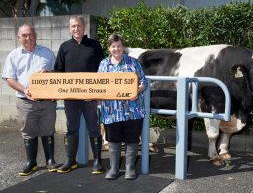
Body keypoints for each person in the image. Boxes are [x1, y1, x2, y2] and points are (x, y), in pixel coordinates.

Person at [2, 25, 58, 176]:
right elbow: (9, 78)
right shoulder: (13, 56)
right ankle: (31, 162)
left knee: (48, 130)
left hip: (47, 101)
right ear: (19, 38)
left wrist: (49, 72)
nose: (28, 38)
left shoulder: (47, 53)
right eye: (24, 35)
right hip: (25, 102)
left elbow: (58, 73)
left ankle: (50, 160)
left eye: (30, 35)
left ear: (36, 35)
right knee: (28, 132)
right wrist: (24, 90)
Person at [54, 15, 105, 174]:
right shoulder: (64, 47)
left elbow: (102, 71)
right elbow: (59, 72)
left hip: (90, 97)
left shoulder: (94, 45)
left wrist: (97, 95)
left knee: (93, 128)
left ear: (84, 27)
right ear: (70, 29)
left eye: (78, 26)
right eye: (73, 26)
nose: (76, 29)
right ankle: (70, 161)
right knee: (72, 128)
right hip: (70, 97)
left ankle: (97, 161)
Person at [98, 33, 148, 180]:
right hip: (111, 110)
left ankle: (130, 168)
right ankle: (113, 168)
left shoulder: (133, 63)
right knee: (113, 139)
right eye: (113, 46)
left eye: (119, 46)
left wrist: (137, 90)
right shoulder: (103, 64)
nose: (116, 49)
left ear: (123, 47)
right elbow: (98, 86)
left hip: (132, 110)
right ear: (109, 48)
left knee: (132, 139)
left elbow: (143, 82)